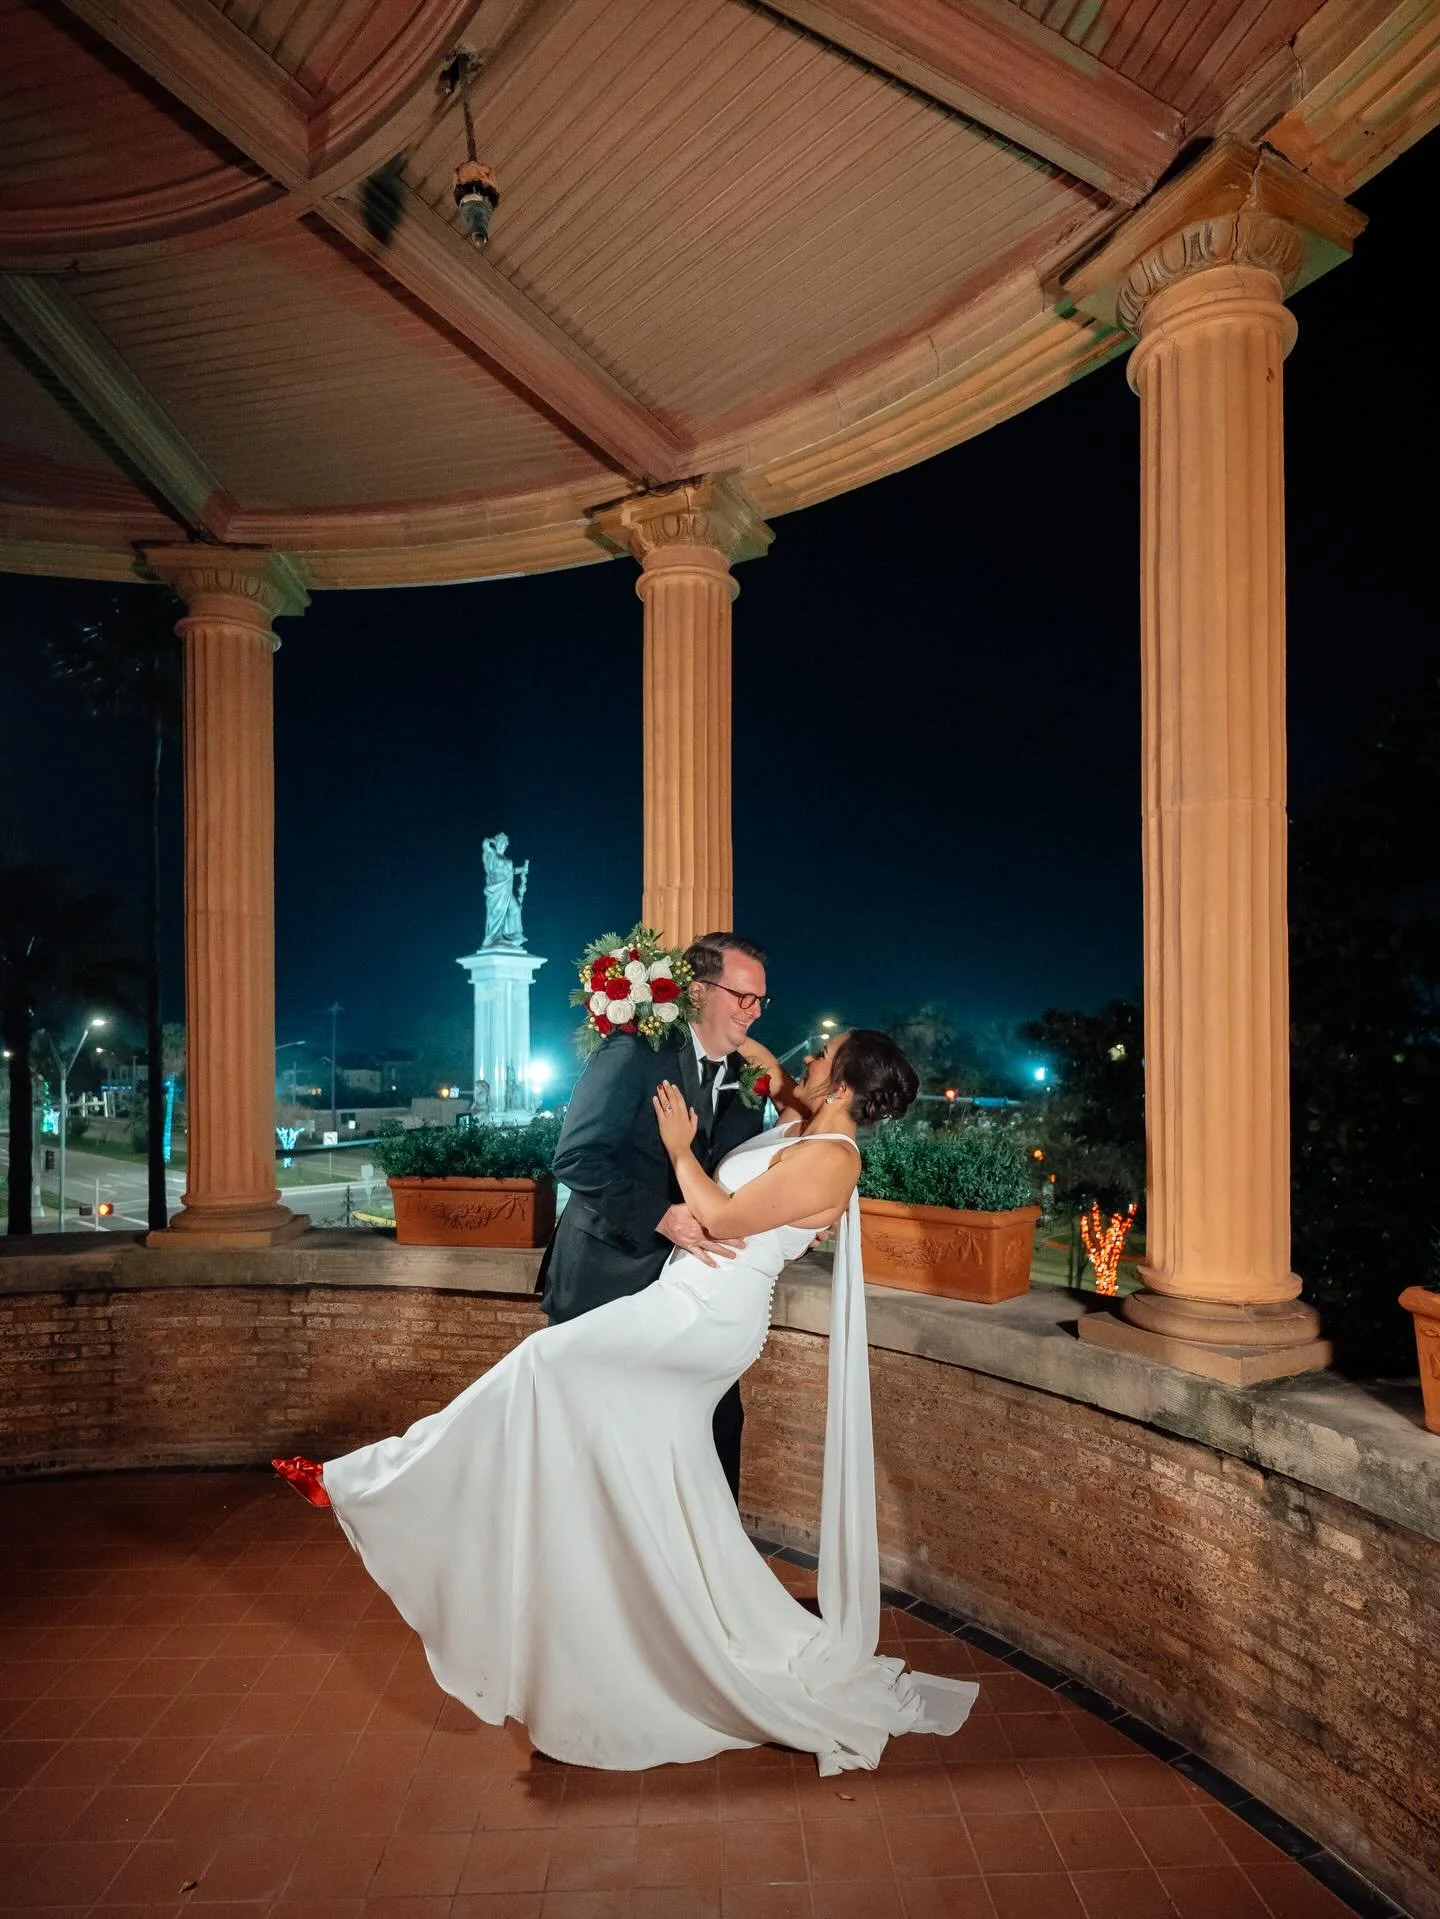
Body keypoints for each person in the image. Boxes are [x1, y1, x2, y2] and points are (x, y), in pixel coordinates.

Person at [273, 1028, 977, 1776]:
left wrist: (680, 1146)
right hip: (687, 1301)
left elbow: (721, 1216)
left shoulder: (832, 1163)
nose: (805, 1057)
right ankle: (634, 1636)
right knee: (649, 1469)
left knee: (545, 1362)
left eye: (822, 1055)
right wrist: (741, 1032)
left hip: (702, 1320)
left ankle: (368, 1479)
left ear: (843, 1086)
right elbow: (776, 1075)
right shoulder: (810, 1123)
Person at [534, 931, 771, 1501]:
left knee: (716, 1423)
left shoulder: (748, 1081)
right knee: (595, 1441)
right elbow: (575, 1156)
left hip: (687, 1292)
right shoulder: (634, 1054)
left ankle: (706, 1569)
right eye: (742, 996)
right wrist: (662, 1217)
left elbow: (732, 1180)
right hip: (605, 1277)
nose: (754, 1011)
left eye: (760, 1000)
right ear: (698, 991)